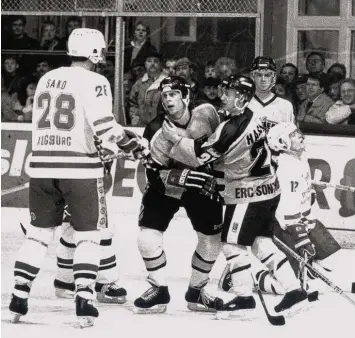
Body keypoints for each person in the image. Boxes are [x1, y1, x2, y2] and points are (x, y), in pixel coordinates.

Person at [8, 28, 146, 328]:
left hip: (42, 167)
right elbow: (104, 126)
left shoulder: (46, 78)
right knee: (89, 236)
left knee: (38, 234)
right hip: (80, 169)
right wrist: (133, 145)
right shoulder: (95, 80)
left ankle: (19, 293)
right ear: (95, 51)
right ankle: (84, 297)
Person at [162, 75, 308, 318]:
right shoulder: (259, 118)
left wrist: (176, 140)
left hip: (245, 195)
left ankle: (243, 299)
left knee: (231, 245)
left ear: (241, 97)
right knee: (262, 243)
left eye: (228, 93)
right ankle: (295, 292)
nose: (222, 97)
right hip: (268, 191)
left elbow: (200, 157)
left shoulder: (231, 127)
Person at [133, 76, 223, 314]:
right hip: (167, 188)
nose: (168, 99)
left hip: (203, 186)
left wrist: (221, 179)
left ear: (185, 96)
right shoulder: (155, 128)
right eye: (164, 95)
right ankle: (159, 289)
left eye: (173, 94)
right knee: (147, 238)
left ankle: (196, 292)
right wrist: (185, 177)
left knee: (212, 242)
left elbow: (222, 149)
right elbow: (152, 173)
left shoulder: (207, 114)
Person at [267, 122, 341, 293]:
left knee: (331, 260)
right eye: (293, 135)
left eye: (298, 132)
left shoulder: (299, 159)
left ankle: (304, 268)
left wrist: (310, 193)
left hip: (305, 221)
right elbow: (285, 209)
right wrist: (301, 237)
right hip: (284, 227)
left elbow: (300, 195)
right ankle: (252, 276)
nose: (300, 136)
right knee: (285, 287)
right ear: (282, 142)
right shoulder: (285, 167)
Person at [247, 56, 295, 132]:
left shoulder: (285, 105)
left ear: (273, 77)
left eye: (267, 75)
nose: (263, 79)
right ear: (253, 77)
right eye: (259, 75)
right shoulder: (243, 103)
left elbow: (289, 135)